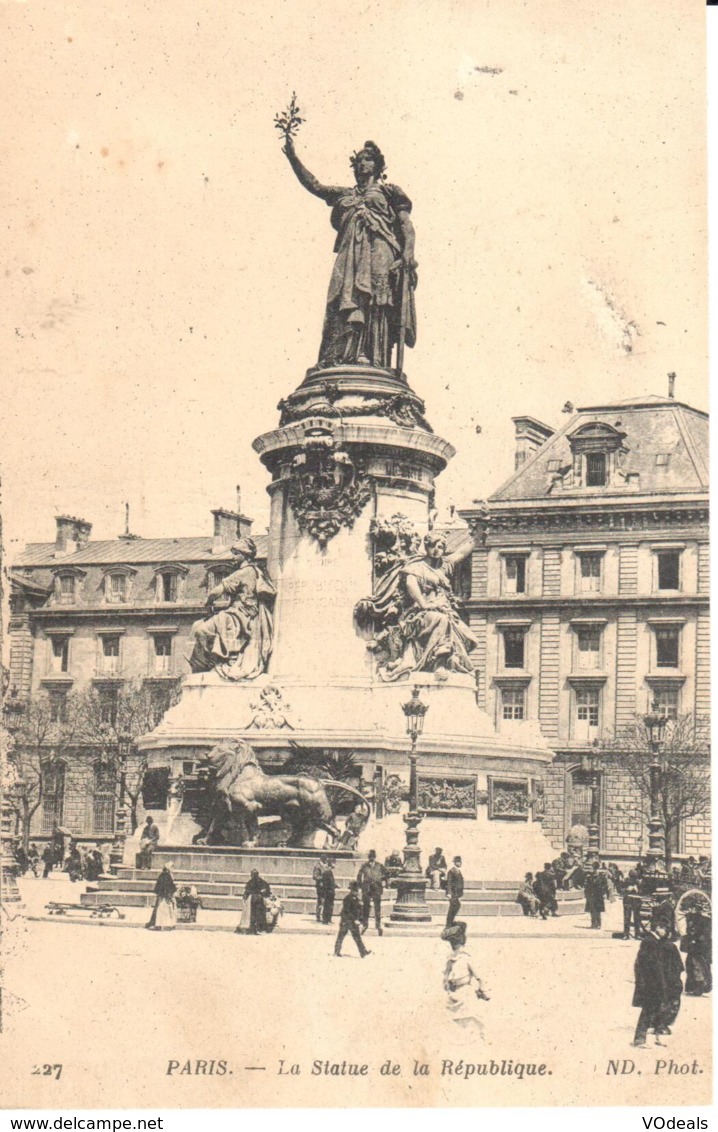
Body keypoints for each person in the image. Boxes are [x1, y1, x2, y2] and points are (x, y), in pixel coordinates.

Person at [282, 136, 417, 371]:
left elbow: (407, 226)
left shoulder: (389, 192)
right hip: (349, 254)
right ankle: (337, 356)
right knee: (343, 297)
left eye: (367, 160)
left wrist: (408, 253)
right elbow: (316, 186)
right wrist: (293, 158)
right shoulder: (345, 194)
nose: (361, 165)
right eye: (358, 161)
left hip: (380, 250)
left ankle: (372, 357)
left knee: (375, 301)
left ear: (377, 165)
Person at [354, 533, 478, 681]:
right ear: (426, 546)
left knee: (465, 633)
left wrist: (477, 535)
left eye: (441, 547)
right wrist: (425, 604)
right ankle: (439, 664)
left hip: (444, 610)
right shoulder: (416, 567)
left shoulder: (443, 566)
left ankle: (446, 661)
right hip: (418, 612)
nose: (437, 550)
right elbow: (410, 585)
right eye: (433, 546)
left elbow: (461, 553)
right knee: (440, 620)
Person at [188, 537, 275, 680]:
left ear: (245, 555)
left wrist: (209, 603)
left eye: (236, 554)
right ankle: (210, 664)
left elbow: (215, 591)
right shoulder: (256, 571)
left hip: (239, 615)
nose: (233, 558)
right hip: (241, 613)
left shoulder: (243, 572)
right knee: (199, 627)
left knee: (201, 630)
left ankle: (208, 664)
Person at [632, 921, 684, 1047]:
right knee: (648, 1010)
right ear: (658, 927)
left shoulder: (655, 941)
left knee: (657, 1008)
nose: (666, 933)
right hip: (652, 982)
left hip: (656, 982)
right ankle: (639, 1039)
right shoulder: (650, 942)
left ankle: (657, 1038)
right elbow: (649, 964)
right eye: (665, 929)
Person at [441, 921, 489, 1034]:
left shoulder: (467, 958)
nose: (455, 948)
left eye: (456, 944)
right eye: (453, 945)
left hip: (465, 992)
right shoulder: (450, 959)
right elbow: (445, 976)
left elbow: (480, 977)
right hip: (453, 993)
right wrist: (446, 984)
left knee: (468, 1020)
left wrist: (482, 990)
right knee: (450, 1022)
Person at [334, 881, 371, 958]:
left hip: (352, 922)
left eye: (357, 890)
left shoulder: (356, 899)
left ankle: (363, 952)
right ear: (352, 891)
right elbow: (346, 912)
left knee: (357, 937)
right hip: (346, 921)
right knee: (341, 936)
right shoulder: (348, 899)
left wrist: (360, 920)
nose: (357, 892)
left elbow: (358, 911)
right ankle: (336, 951)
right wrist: (354, 919)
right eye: (356, 891)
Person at [681, 911, 712, 996]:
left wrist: (694, 939)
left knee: (697, 967)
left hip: (699, 948)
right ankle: (695, 986)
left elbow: (704, 935)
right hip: (697, 948)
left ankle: (699, 987)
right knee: (694, 965)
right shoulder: (697, 919)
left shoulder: (704, 921)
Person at [357, 850, 387, 936]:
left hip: (377, 888)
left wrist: (381, 879)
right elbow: (359, 876)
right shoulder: (365, 865)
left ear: (375, 857)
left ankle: (378, 925)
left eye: (373, 857)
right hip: (367, 889)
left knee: (377, 908)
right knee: (366, 907)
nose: (371, 858)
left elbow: (387, 873)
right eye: (370, 857)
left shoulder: (379, 865)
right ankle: (365, 924)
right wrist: (361, 886)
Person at [237, 869, 272, 935]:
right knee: (254, 914)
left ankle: (258, 927)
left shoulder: (260, 882)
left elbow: (267, 890)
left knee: (257, 914)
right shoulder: (251, 882)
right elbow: (247, 891)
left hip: (257, 899)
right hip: (254, 899)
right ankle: (255, 927)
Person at [146, 863, 177, 931]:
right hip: (165, 897)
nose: (173, 869)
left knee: (162, 911)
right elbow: (168, 887)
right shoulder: (167, 876)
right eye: (172, 868)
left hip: (163, 896)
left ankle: (161, 925)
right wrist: (170, 895)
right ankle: (164, 925)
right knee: (164, 911)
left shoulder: (163, 875)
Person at [584, 860, 610, 929]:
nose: (594, 871)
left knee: (598, 910)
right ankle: (593, 924)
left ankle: (598, 924)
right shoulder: (589, 877)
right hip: (591, 896)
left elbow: (605, 886)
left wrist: (603, 893)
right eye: (593, 869)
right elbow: (586, 886)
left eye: (595, 869)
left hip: (598, 896)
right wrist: (587, 895)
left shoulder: (602, 877)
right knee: (592, 910)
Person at [622, 870, 643, 940]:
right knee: (627, 918)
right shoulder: (625, 881)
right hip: (628, 901)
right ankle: (626, 934)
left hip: (636, 902)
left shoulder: (638, 882)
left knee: (636, 918)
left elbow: (643, 891)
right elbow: (620, 890)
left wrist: (637, 890)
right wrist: (627, 889)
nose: (633, 879)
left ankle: (637, 934)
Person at [445, 856, 464, 927]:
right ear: (455, 862)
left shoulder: (458, 871)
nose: (460, 863)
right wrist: (449, 893)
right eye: (459, 862)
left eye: (460, 862)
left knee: (455, 906)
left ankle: (450, 922)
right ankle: (449, 923)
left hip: (456, 893)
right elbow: (449, 882)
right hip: (452, 893)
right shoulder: (451, 871)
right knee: (454, 907)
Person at [313, 856, 330, 923]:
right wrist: (323, 877)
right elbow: (315, 876)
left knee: (326, 902)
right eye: (325, 860)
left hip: (326, 886)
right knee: (320, 902)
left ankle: (325, 917)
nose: (326, 861)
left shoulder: (326, 866)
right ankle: (318, 916)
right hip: (320, 886)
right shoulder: (317, 866)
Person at [320, 859, 336, 925]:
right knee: (327, 906)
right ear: (331, 864)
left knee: (330, 906)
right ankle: (325, 920)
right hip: (328, 892)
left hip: (331, 891)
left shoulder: (329, 872)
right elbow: (326, 883)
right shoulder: (327, 872)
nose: (335, 865)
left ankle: (329, 919)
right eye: (334, 863)